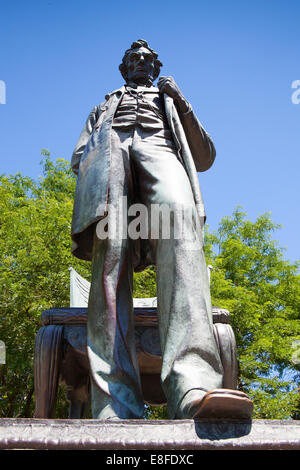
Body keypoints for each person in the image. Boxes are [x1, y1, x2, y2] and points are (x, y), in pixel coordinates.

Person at [70, 39, 253, 420]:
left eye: (146, 59)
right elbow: (78, 155)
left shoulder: (170, 99)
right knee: (110, 260)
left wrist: (181, 101)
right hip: (109, 154)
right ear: (124, 68)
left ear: (156, 66)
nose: (140, 62)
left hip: (160, 149)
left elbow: (204, 156)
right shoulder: (104, 103)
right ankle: (114, 401)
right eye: (133, 59)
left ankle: (194, 386)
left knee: (181, 231)